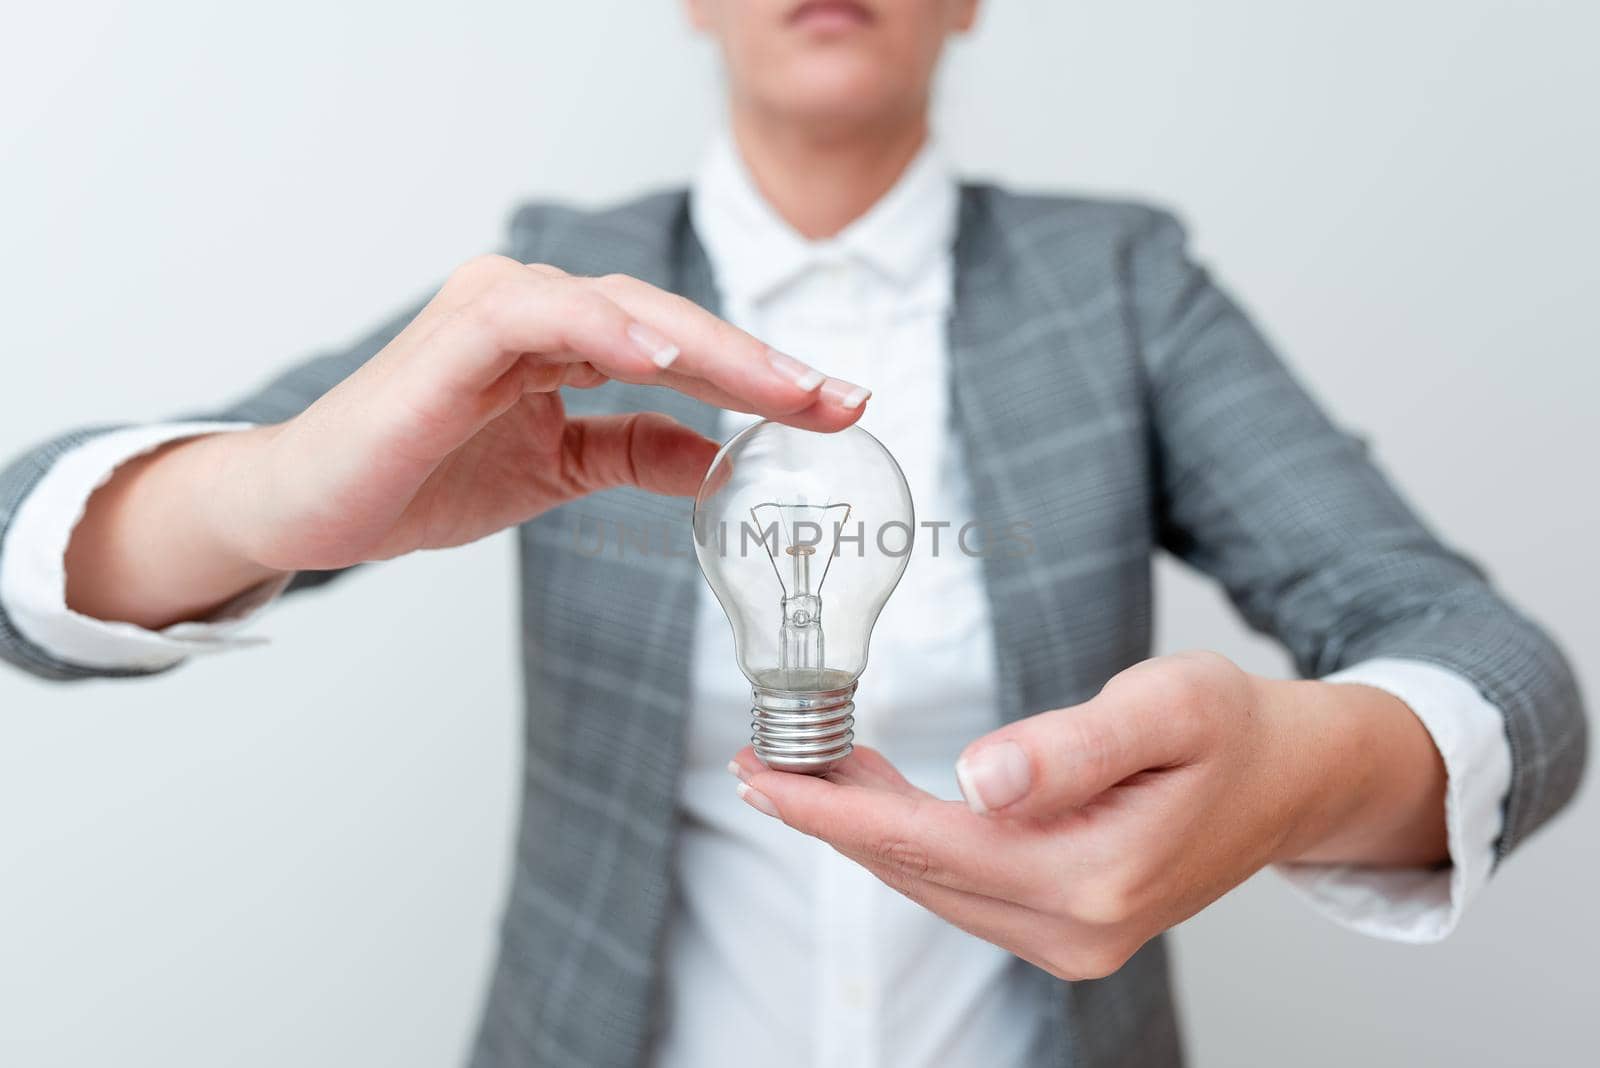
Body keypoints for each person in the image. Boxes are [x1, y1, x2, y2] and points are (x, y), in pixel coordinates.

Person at [0, 1, 1585, 1065]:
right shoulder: (553, 289)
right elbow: (27, 557)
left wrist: (1297, 777)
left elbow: (1502, 673)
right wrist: (272, 494)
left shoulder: (1119, 287)